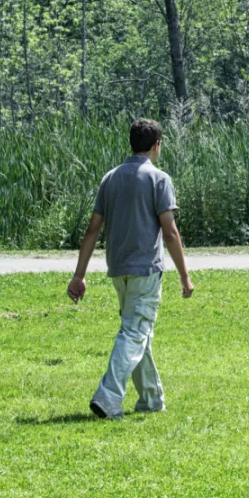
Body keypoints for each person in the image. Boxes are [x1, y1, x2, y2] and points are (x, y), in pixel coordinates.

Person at [67, 118, 194, 419]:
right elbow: (170, 232)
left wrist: (79, 274)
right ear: (155, 145)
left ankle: (151, 400)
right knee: (134, 332)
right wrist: (185, 275)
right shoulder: (158, 179)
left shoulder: (109, 178)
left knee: (139, 333)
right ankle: (108, 398)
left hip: (118, 270)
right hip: (146, 270)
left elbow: (92, 230)